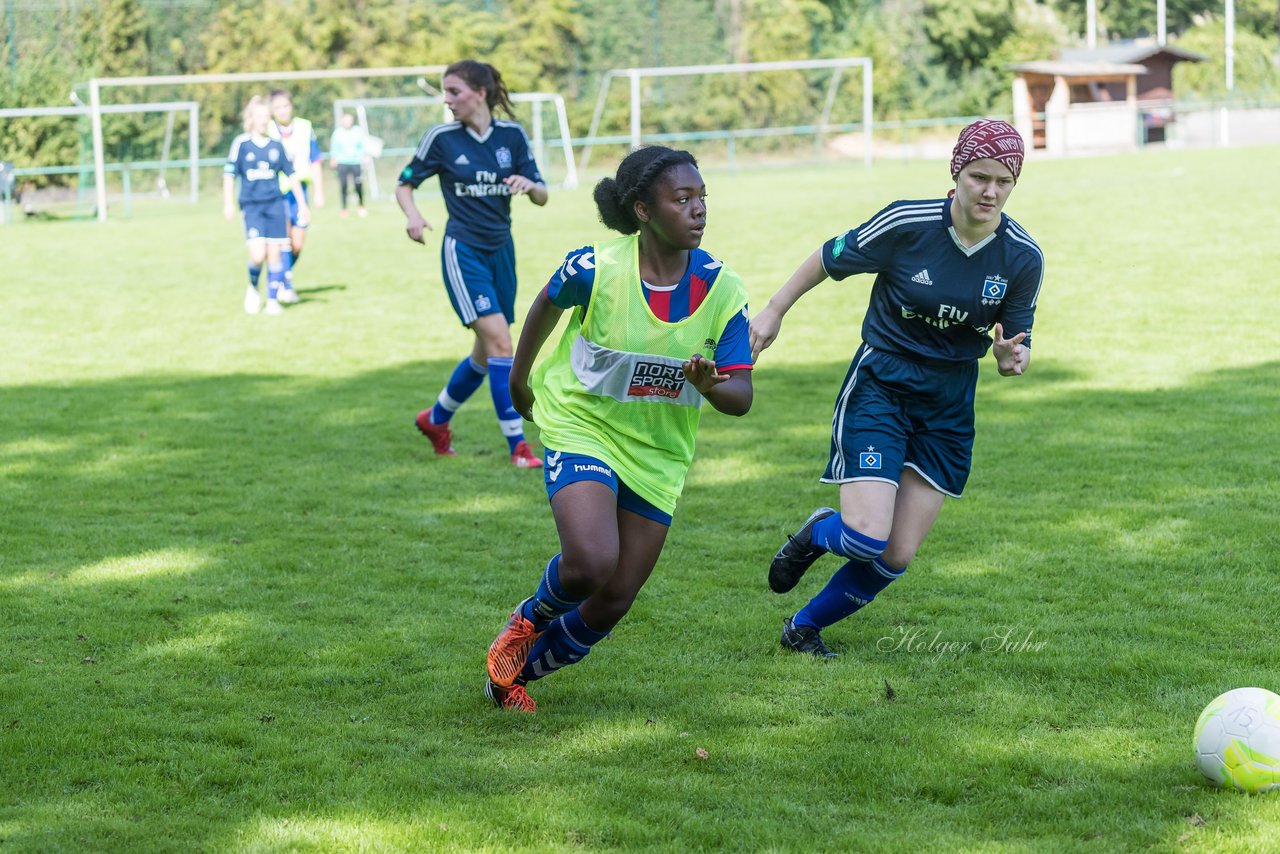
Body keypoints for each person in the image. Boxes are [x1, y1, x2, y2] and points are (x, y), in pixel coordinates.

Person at [749, 119, 1043, 658]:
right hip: (882, 383)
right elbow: (828, 257)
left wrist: (1009, 357)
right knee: (863, 535)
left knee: (896, 554)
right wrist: (773, 310)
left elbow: (1014, 349)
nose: (990, 191)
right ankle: (818, 532)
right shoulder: (907, 222)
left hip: (950, 402)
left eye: (1004, 181)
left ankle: (803, 628)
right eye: (979, 177)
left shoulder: (1023, 257)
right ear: (956, 173)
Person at [483, 146, 754, 712]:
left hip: (657, 453)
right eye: (683, 199)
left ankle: (513, 678)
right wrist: (518, 380)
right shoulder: (595, 268)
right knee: (590, 561)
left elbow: (741, 398)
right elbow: (545, 304)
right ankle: (526, 620)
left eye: (703, 197)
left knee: (614, 599)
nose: (699, 209)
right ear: (642, 211)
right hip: (581, 425)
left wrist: (709, 385)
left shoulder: (723, 290)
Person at [395, 60, 548, 469]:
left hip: (502, 250)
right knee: (501, 342)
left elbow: (543, 194)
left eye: (454, 92)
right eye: (445, 92)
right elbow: (405, 182)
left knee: (485, 352)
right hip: (462, 251)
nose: (447, 100)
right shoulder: (441, 138)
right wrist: (412, 215)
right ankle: (518, 448)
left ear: (480, 93)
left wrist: (529, 185)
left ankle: (435, 419)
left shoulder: (511, 136)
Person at [223, 95, 311, 316]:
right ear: (250, 119)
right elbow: (229, 175)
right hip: (252, 207)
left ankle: (272, 301)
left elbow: (291, 176)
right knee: (257, 255)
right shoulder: (241, 144)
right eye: (259, 116)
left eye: (266, 116)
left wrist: (302, 205)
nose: (263, 121)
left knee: (275, 254)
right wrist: (228, 204)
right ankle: (253, 287)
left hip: (275, 205)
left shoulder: (275, 145)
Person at [269, 88, 324, 302]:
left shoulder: (304, 127)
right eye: (277, 107)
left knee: (297, 243)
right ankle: (286, 284)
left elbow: (316, 160)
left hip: (300, 191)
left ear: (291, 106)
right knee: (283, 239)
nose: (282, 111)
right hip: (277, 192)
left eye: (285, 106)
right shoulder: (268, 129)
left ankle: (281, 276)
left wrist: (319, 191)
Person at [329, 112, 367, 218]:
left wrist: (364, 156)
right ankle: (344, 208)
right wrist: (333, 158)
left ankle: (361, 205)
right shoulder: (338, 133)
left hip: (356, 162)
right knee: (343, 185)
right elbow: (334, 147)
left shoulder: (357, 131)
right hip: (342, 162)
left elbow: (362, 145)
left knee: (358, 185)